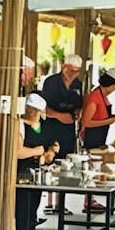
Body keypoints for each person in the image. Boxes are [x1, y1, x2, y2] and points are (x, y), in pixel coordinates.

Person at [14, 93, 59, 230]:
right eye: (31, 110)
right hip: (21, 173)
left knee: (33, 208)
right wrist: (37, 151)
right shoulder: (19, 126)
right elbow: (17, 152)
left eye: (37, 111)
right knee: (23, 209)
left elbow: (53, 144)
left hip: (38, 172)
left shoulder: (44, 125)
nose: (34, 113)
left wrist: (51, 152)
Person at [41, 54, 84, 215]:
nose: (74, 74)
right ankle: (50, 201)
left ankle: (60, 203)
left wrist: (78, 114)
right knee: (50, 161)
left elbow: (79, 104)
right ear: (64, 68)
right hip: (51, 126)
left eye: (77, 71)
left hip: (68, 129)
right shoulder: (51, 82)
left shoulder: (77, 84)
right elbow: (44, 107)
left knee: (65, 163)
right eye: (72, 70)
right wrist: (59, 115)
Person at [79, 68, 115, 213]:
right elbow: (86, 122)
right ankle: (88, 201)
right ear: (110, 84)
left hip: (100, 137)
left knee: (96, 168)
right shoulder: (94, 98)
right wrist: (109, 121)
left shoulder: (103, 97)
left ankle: (92, 199)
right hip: (92, 138)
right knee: (92, 168)